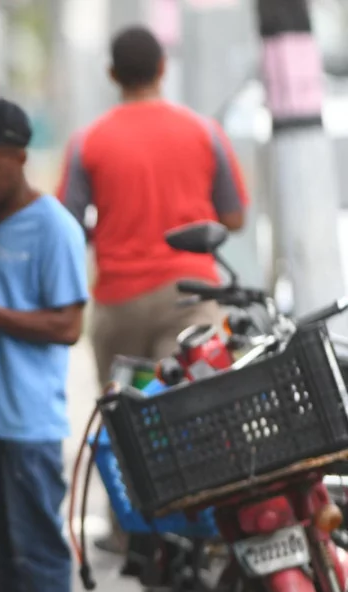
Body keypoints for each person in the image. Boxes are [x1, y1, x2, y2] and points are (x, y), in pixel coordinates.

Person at [55, 26, 249, 558]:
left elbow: (67, 223)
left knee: (128, 415)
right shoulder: (204, 132)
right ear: (163, 68)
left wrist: (111, 230)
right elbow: (233, 215)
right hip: (191, 297)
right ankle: (204, 521)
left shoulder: (89, 141)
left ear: (113, 75)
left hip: (118, 300)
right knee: (194, 407)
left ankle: (132, 528)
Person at [0, 97, 87, 592]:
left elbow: (68, 325)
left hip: (29, 422)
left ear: (19, 157)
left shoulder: (54, 228)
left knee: (38, 551)